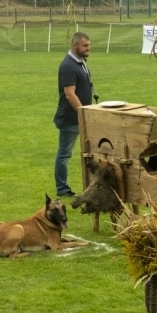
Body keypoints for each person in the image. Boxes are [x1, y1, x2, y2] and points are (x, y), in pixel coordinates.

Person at [53, 31, 95, 198]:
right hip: (71, 118)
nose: (88, 48)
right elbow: (70, 94)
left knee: (89, 152)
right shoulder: (68, 66)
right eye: (85, 45)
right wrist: (82, 113)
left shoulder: (80, 62)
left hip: (82, 117)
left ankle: (92, 186)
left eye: (89, 45)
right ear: (75, 45)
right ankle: (62, 189)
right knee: (64, 153)